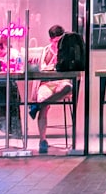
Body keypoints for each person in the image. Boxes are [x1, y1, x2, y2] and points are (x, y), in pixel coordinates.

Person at [29, 24, 74, 154]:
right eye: (56, 41)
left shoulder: (68, 51)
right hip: (47, 83)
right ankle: (42, 139)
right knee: (43, 98)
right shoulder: (45, 51)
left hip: (61, 82)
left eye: (61, 40)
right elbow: (41, 68)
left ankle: (43, 103)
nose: (59, 44)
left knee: (67, 87)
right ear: (51, 40)